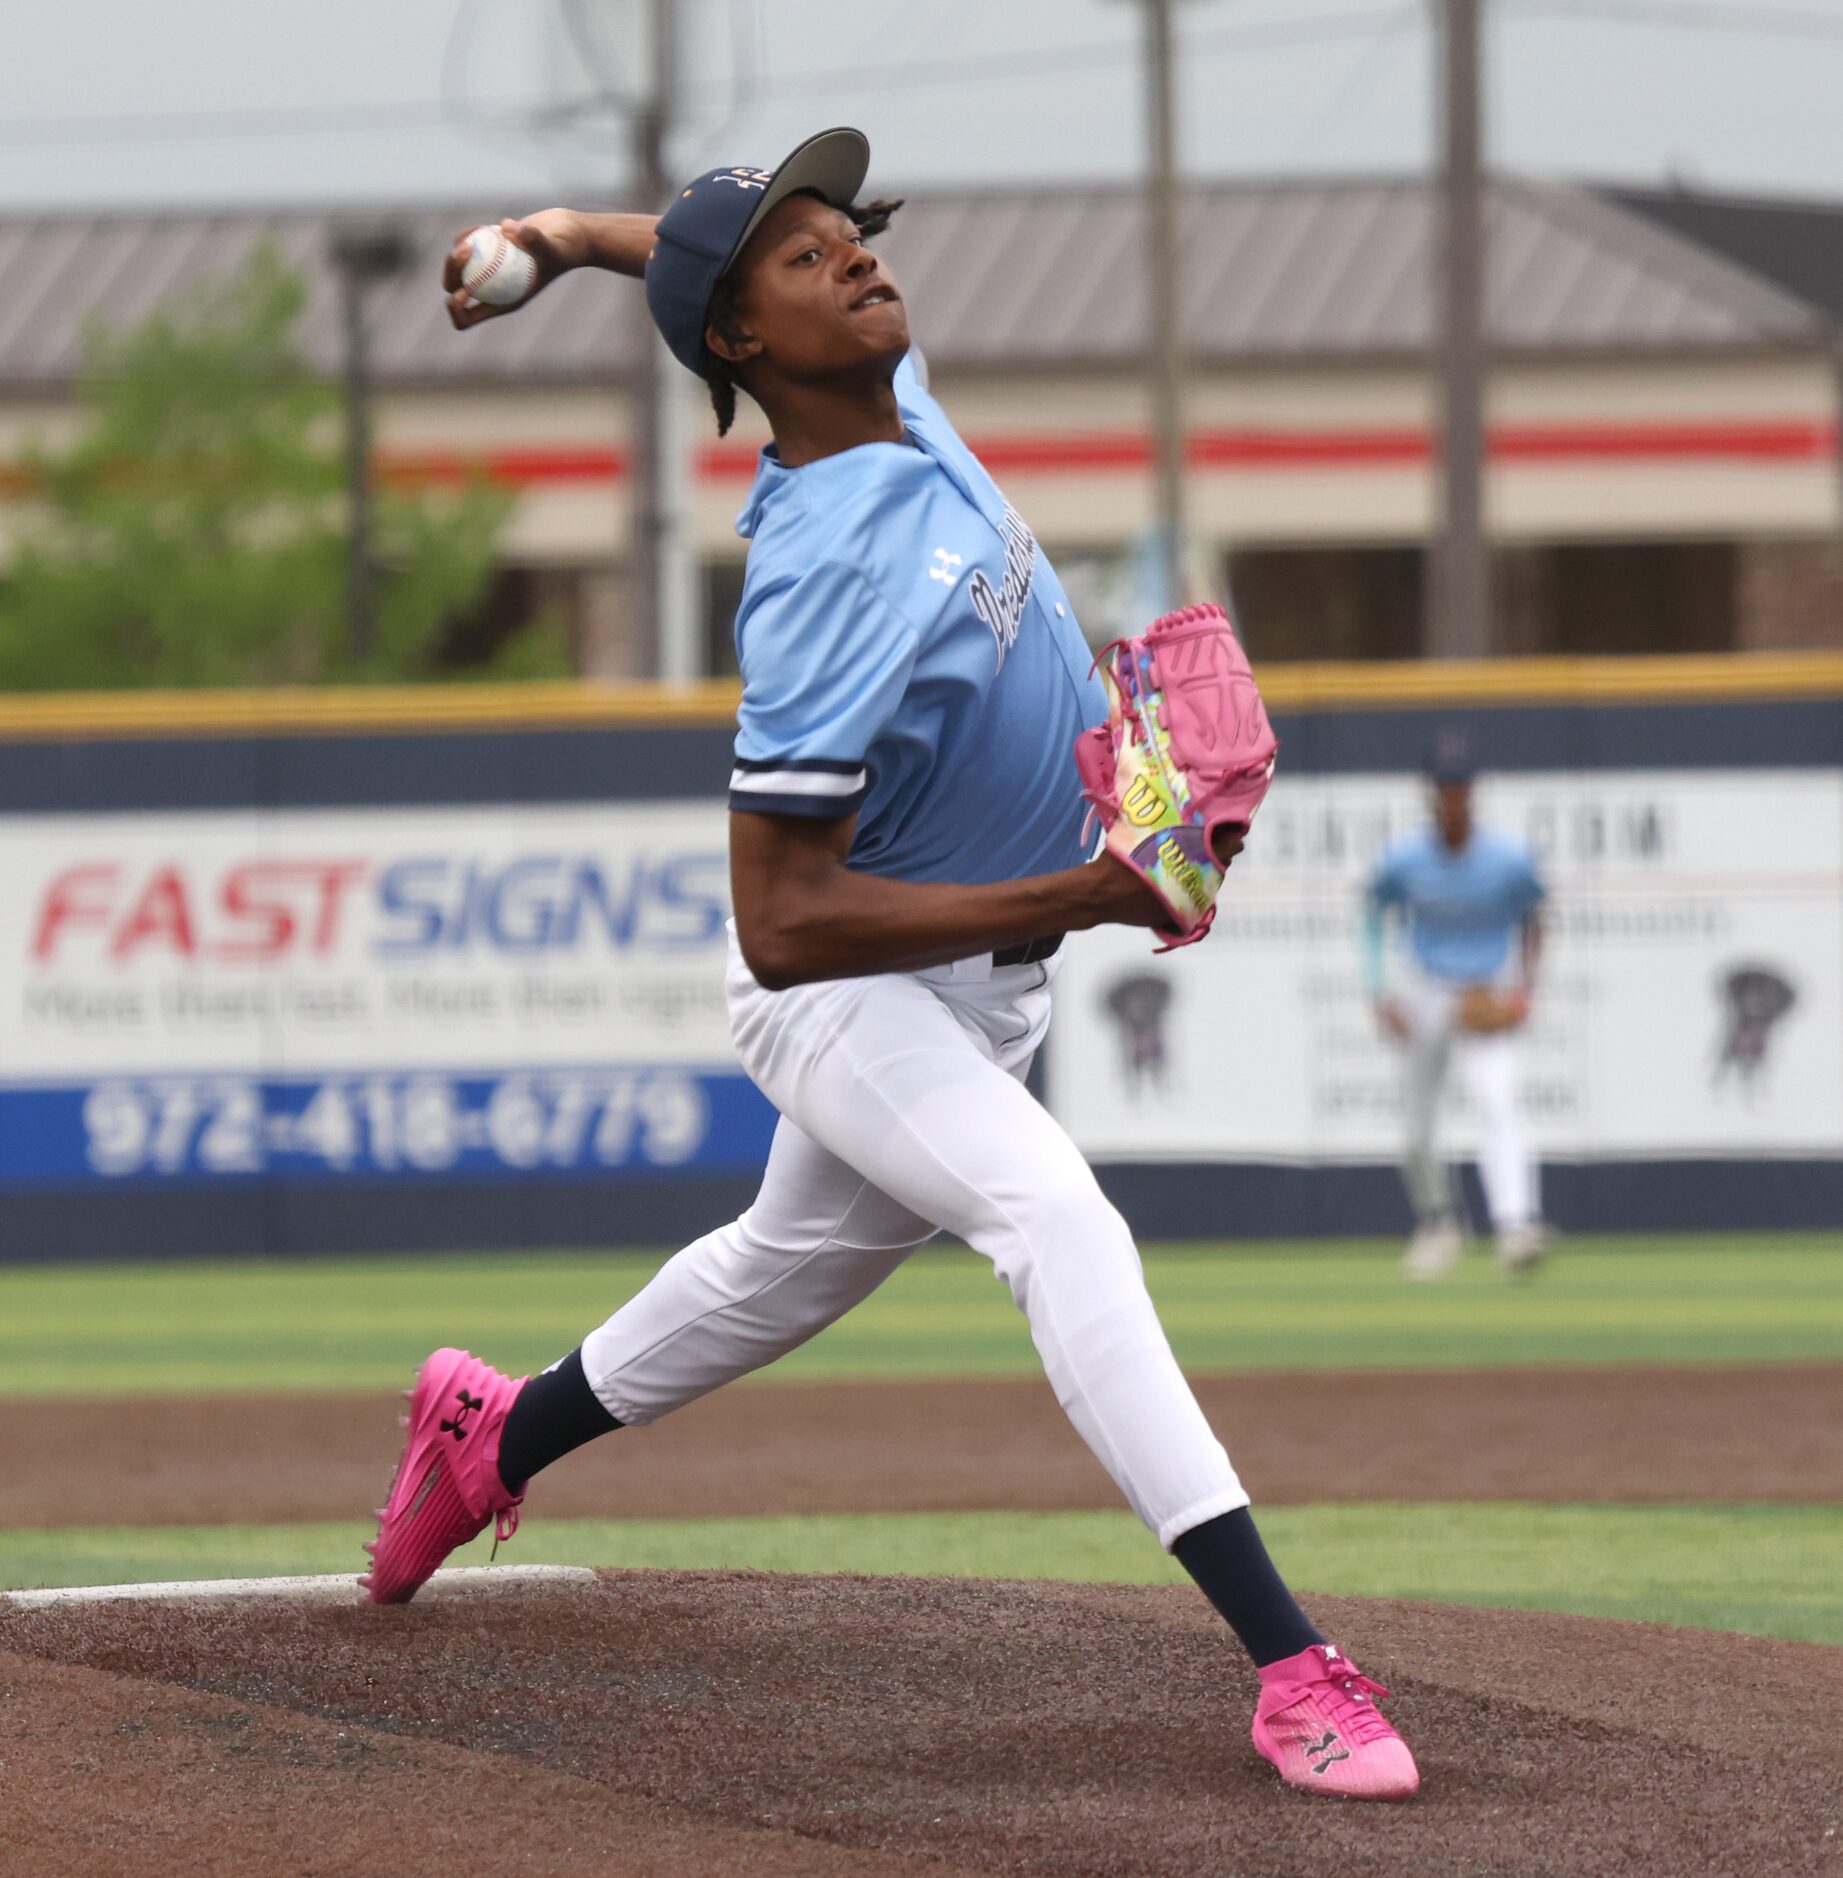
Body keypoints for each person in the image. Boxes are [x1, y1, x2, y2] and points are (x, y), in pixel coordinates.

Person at [363, 128, 1419, 1802]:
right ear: (744, 347)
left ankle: (491, 1435)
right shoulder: (816, 575)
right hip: (846, 995)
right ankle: (1291, 1661)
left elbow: (695, 255)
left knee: (772, 1269)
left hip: (979, 985)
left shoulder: (892, 405)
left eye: (843, 230)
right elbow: (783, 919)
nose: (851, 253)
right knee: (1053, 1218)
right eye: (801, 257)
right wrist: (1087, 887)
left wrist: (568, 233)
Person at [1364, 732, 1549, 1280]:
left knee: (1499, 1103)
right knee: (1418, 1123)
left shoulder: (1508, 859)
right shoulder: (1403, 859)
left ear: (1473, 790)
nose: (1452, 796)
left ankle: (1516, 1226)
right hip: (1425, 989)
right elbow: (1372, 918)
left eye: (1460, 786)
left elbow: (1535, 920)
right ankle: (1439, 1222)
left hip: (1483, 990)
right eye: (1444, 786)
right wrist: (1380, 991)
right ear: (1430, 792)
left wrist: (1524, 992)